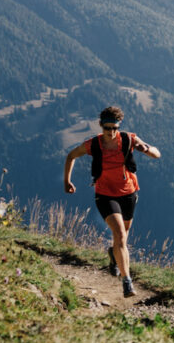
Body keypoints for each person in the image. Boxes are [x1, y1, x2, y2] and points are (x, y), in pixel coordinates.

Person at [62, 105, 160, 297]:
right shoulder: (94, 145)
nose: (112, 132)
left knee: (123, 235)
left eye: (115, 128)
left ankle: (114, 256)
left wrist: (146, 149)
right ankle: (127, 281)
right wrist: (67, 181)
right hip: (105, 195)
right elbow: (71, 155)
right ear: (101, 126)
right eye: (108, 128)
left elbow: (157, 153)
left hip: (129, 193)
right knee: (121, 235)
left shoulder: (128, 139)